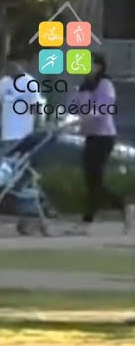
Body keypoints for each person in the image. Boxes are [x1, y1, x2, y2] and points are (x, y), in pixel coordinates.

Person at [71, 53, 120, 228]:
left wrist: (85, 118)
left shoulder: (105, 85)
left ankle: (88, 219)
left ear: (99, 66)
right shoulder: (84, 86)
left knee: (95, 178)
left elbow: (103, 109)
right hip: (90, 136)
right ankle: (123, 206)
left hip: (104, 137)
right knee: (91, 179)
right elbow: (74, 106)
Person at [0, 59, 43, 146]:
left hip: (23, 135)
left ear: (22, 65)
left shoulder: (30, 83)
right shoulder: (3, 83)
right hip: (5, 134)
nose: (10, 68)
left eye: (13, 66)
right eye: (8, 66)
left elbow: (36, 108)